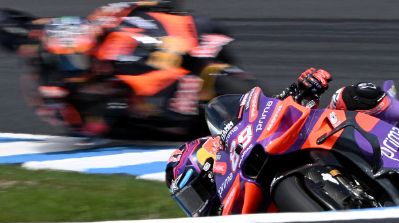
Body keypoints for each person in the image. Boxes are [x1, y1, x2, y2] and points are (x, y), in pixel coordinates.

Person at [165, 68, 399, 216]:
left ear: (210, 160)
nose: (196, 207)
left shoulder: (232, 153)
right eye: (188, 203)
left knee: (354, 96)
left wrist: (301, 89)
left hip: (306, 145)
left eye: (194, 195)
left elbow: (267, 116)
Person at [2, 1, 256, 138]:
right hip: (94, 117)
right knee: (133, 119)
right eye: (74, 61)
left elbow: (127, 10)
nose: (81, 63)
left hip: (107, 73)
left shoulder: (94, 32)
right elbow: (85, 121)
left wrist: (159, 10)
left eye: (83, 56)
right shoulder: (53, 86)